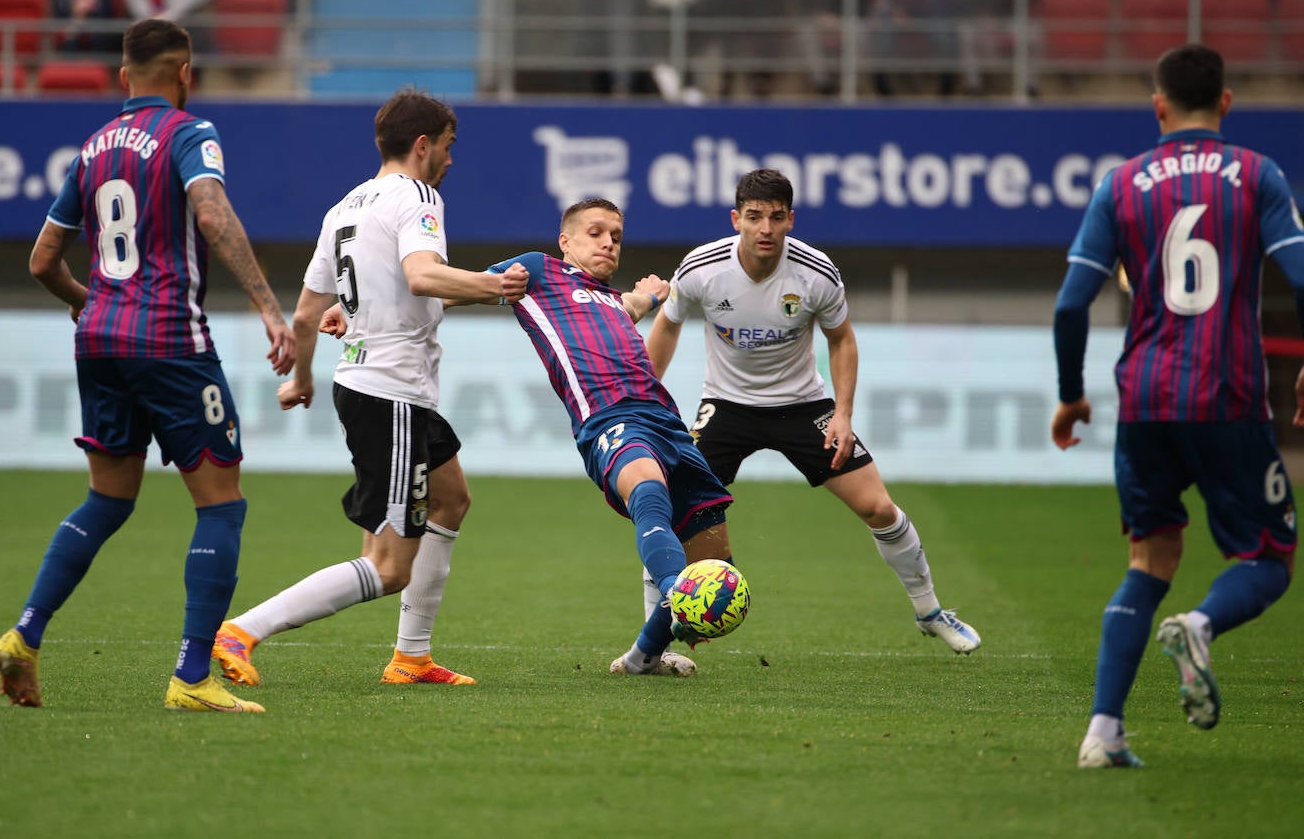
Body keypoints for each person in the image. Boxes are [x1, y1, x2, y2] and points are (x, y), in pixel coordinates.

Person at [0, 17, 297, 714]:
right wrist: (269, 309)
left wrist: (88, 302)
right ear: (186, 73)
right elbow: (212, 216)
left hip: (98, 337)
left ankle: (25, 634)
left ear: (124, 78)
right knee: (221, 503)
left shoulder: (93, 148)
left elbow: (42, 260)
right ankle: (191, 676)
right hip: (168, 338)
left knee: (108, 498)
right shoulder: (190, 133)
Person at [210, 89, 529, 689]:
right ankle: (242, 631)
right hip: (392, 393)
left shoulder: (344, 207)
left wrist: (303, 379)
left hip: (373, 385)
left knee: (450, 498)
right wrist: (496, 286)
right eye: (449, 147)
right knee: (386, 568)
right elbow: (422, 274)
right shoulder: (418, 196)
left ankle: (412, 658)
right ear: (422, 145)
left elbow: (307, 315)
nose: (452, 161)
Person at [1051, 44, 1302, 769]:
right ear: (1226, 102)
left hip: (1146, 398)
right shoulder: (1259, 174)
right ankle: (1198, 623)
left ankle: (1103, 730)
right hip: (1228, 394)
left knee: (1150, 554)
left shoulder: (1121, 184)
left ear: (1157, 106)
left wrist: (1072, 394)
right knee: (1269, 555)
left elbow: (1072, 304)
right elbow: (1301, 273)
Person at [644, 168, 980, 658]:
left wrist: (842, 415)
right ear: (736, 219)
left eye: (776, 218)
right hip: (726, 407)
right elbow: (667, 327)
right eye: (754, 217)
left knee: (879, 508)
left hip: (803, 406)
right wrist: (649, 400)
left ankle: (930, 613)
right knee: (673, 513)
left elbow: (841, 340)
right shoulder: (700, 268)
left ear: (790, 221)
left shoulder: (816, 273)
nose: (765, 228)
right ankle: (654, 647)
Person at [481, 198, 735, 677]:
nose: (607, 242)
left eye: (616, 236)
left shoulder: (612, 301)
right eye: (596, 232)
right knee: (648, 490)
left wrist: (649, 296)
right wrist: (364, 312)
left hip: (667, 422)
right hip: (608, 419)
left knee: (716, 562)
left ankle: (643, 657)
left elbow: (630, 307)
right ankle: (676, 592)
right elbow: (451, 287)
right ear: (565, 241)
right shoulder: (538, 273)